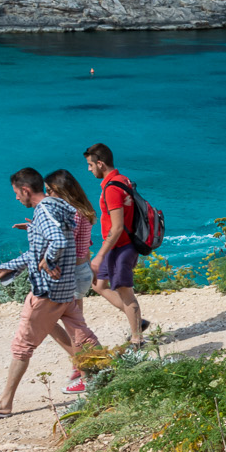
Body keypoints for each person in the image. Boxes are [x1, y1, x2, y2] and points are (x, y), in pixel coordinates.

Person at [0, 168, 97, 420]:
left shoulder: (44, 210)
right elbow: (39, 250)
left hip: (47, 292)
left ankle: (4, 403)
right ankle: (108, 382)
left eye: (17, 193)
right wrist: (6, 267)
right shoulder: (60, 207)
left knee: (22, 346)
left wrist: (49, 261)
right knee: (83, 338)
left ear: (26, 190)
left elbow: (57, 242)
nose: (16, 198)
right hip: (65, 289)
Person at [84, 143, 148, 347]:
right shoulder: (123, 179)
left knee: (125, 292)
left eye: (90, 165)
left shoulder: (112, 188)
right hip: (119, 245)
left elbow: (118, 226)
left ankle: (137, 339)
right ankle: (137, 320)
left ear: (100, 164)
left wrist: (100, 255)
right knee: (98, 284)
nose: (89, 169)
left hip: (120, 247)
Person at [44, 169, 102, 394]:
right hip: (82, 270)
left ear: (60, 191)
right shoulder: (83, 210)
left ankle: (87, 372)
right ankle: (81, 366)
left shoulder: (71, 214)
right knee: (75, 325)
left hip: (72, 273)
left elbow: (65, 245)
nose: (47, 195)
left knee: (67, 325)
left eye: (49, 191)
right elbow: (84, 246)